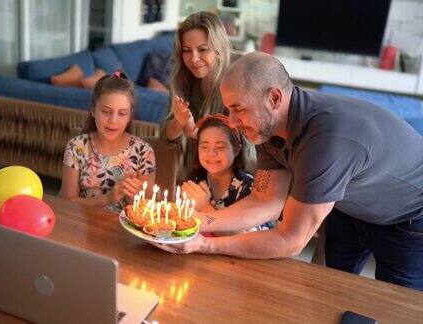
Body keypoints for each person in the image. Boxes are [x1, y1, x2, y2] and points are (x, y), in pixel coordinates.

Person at [152, 52, 423, 291]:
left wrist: (205, 245)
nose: (232, 123)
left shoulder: (325, 142)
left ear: (274, 97)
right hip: (349, 203)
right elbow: (264, 200)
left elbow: (290, 239)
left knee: (398, 306)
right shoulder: (267, 128)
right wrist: (200, 220)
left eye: (238, 109)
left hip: (407, 218)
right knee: (330, 291)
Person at [160, 11, 253, 180]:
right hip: (192, 175)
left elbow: (242, 144)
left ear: (218, 48)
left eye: (202, 49)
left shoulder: (241, 75)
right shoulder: (181, 78)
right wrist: (178, 122)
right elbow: (165, 137)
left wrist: (192, 130)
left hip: (236, 176)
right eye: (187, 50)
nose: (194, 59)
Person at [60, 70, 156, 208]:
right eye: (105, 111)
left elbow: (149, 208)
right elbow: (66, 204)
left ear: (130, 116)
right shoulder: (76, 147)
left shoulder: (143, 152)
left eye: (122, 113)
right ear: (93, 110)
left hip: (123, 228)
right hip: (82, 225)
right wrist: (107, 198)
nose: (113, 120)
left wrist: (134, 197)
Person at [181, 115, 273, 233]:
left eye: (220, 147)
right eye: (204, 147)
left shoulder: (248, 188)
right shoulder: (197, 179)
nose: (212, 153)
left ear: (236, 149)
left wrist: (204, 207)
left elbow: (248, 242)